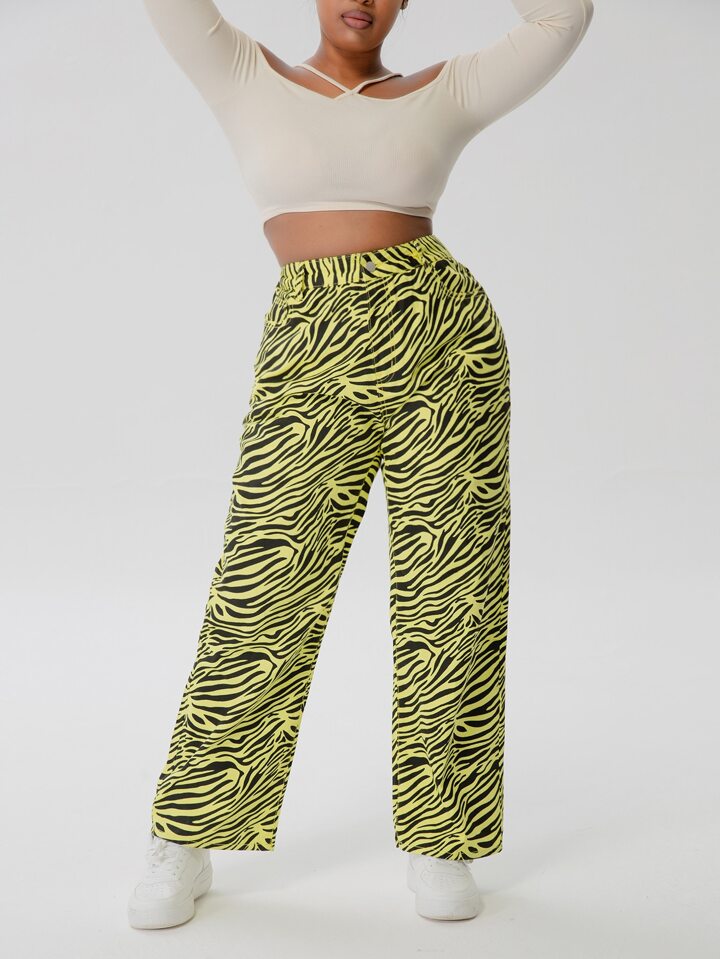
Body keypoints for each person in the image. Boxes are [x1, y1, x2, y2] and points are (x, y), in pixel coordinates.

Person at [128, 0, 594, 929]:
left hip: (442, 339)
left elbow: (562, 16)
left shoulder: (446, 90)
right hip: (309, 344)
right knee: (262, 589)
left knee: (453, 593)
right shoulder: (243, 73)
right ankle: (186, 834)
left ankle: (443, 838)